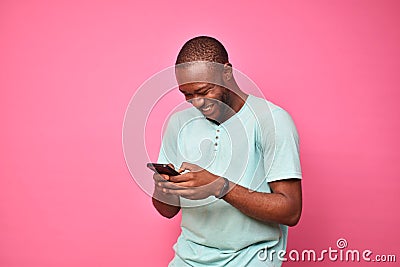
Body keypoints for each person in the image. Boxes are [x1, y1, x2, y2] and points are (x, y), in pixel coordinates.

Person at [152, 36, 302, 267]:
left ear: (227, 72)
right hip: (188, 258)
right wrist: (164, 188)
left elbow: (291, 210)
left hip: (251, 259)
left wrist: (219, 186)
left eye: (204, 90)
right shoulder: (178, 123)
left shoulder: (272, 120)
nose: (197, 102)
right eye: (187, 95)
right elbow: (167, 211)